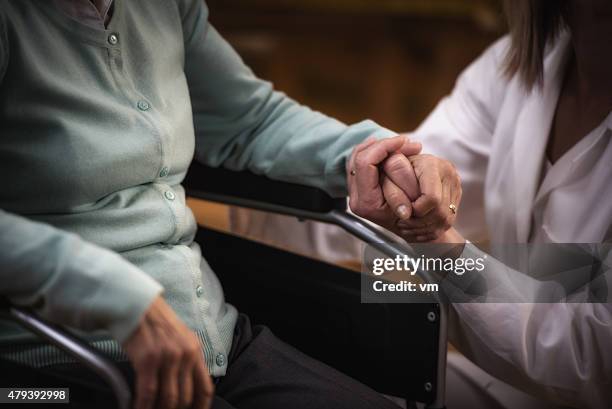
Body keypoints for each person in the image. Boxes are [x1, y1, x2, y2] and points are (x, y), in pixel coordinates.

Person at [0, 1, 460, 409]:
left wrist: (368, 156)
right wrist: (111, 293)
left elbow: (249, 120)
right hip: (52, 364)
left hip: (212, 334)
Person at [233, 0, 612, 408]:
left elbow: (592, 355)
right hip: (499, 380)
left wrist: (440, 246)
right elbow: (405, 190)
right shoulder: (511, 66)